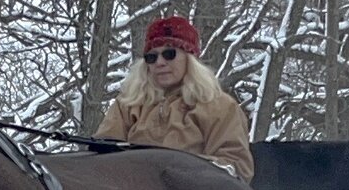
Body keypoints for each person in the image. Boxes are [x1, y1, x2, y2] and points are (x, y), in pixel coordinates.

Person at [93, 15, 255, 181]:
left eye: (169, 54)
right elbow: (101, 155)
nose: (160, 62)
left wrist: (181, 171)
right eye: (152, 57)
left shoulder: (219, 106)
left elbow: (235, 166)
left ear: (190, 59)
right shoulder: (128, 104)